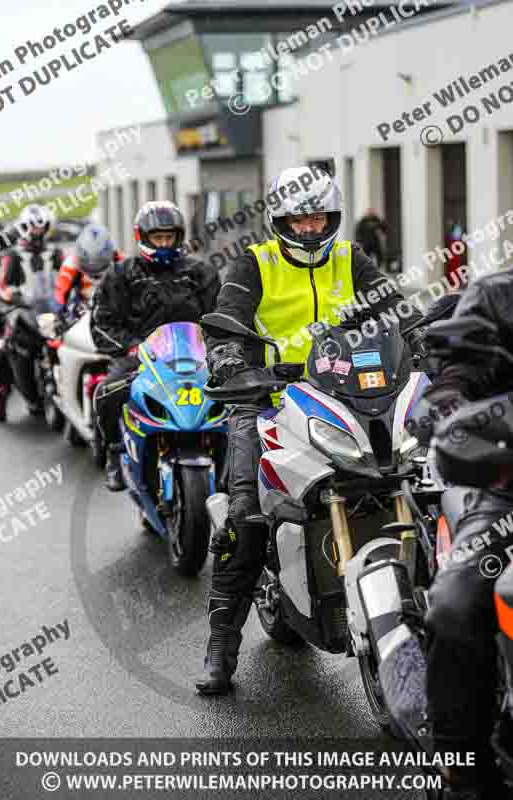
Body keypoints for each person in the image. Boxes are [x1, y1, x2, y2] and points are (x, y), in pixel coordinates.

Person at [195, 165, 425, 696]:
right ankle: (220, 648)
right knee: (246, 514)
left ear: (333, 216)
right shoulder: (253, 263)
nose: (308, 229)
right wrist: (231, 360)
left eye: (317, 217)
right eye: (297, 220)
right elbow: (227, 317)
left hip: (351, 394)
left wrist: (425, 339)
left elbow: (397, 312)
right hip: (269, 398)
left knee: (417, 475)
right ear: (278, 219)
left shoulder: (352, 259)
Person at [408, 269, 513, 799]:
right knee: (453, 605)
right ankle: (462, 770)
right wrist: (447, 404)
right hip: (506, 482)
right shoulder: (497, 294)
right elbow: (461, 368)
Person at [92, 200, 220, 491]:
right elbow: (102, 323)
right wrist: (131, 347)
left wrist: (217, 347)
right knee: (106, 392)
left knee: (241, 398)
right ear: (142, 237)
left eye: (169, 237)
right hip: (140, 358)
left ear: (179, 237)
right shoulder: (121, 275)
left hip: (197, 358)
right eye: (157, 238)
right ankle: (114, 451)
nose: (163, 244)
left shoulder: (201, 272)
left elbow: (221, 318)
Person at [0, 204, 63, 422]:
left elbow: (66, 278)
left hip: (49, 311)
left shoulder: (55, 252)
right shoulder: (13, 254)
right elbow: (3, 284)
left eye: (41, 227)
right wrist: (11, 294)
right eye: (32, 227)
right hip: (22, 310)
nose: (37, 232)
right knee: (0, 348)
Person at [51, 223, 123, 318]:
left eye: (99, 261)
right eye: (87, 262)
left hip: (115, 307)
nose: (93, 267)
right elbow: (59, 296)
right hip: (82, 312)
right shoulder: (70, 264)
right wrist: (60, 315)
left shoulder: (121, 261)